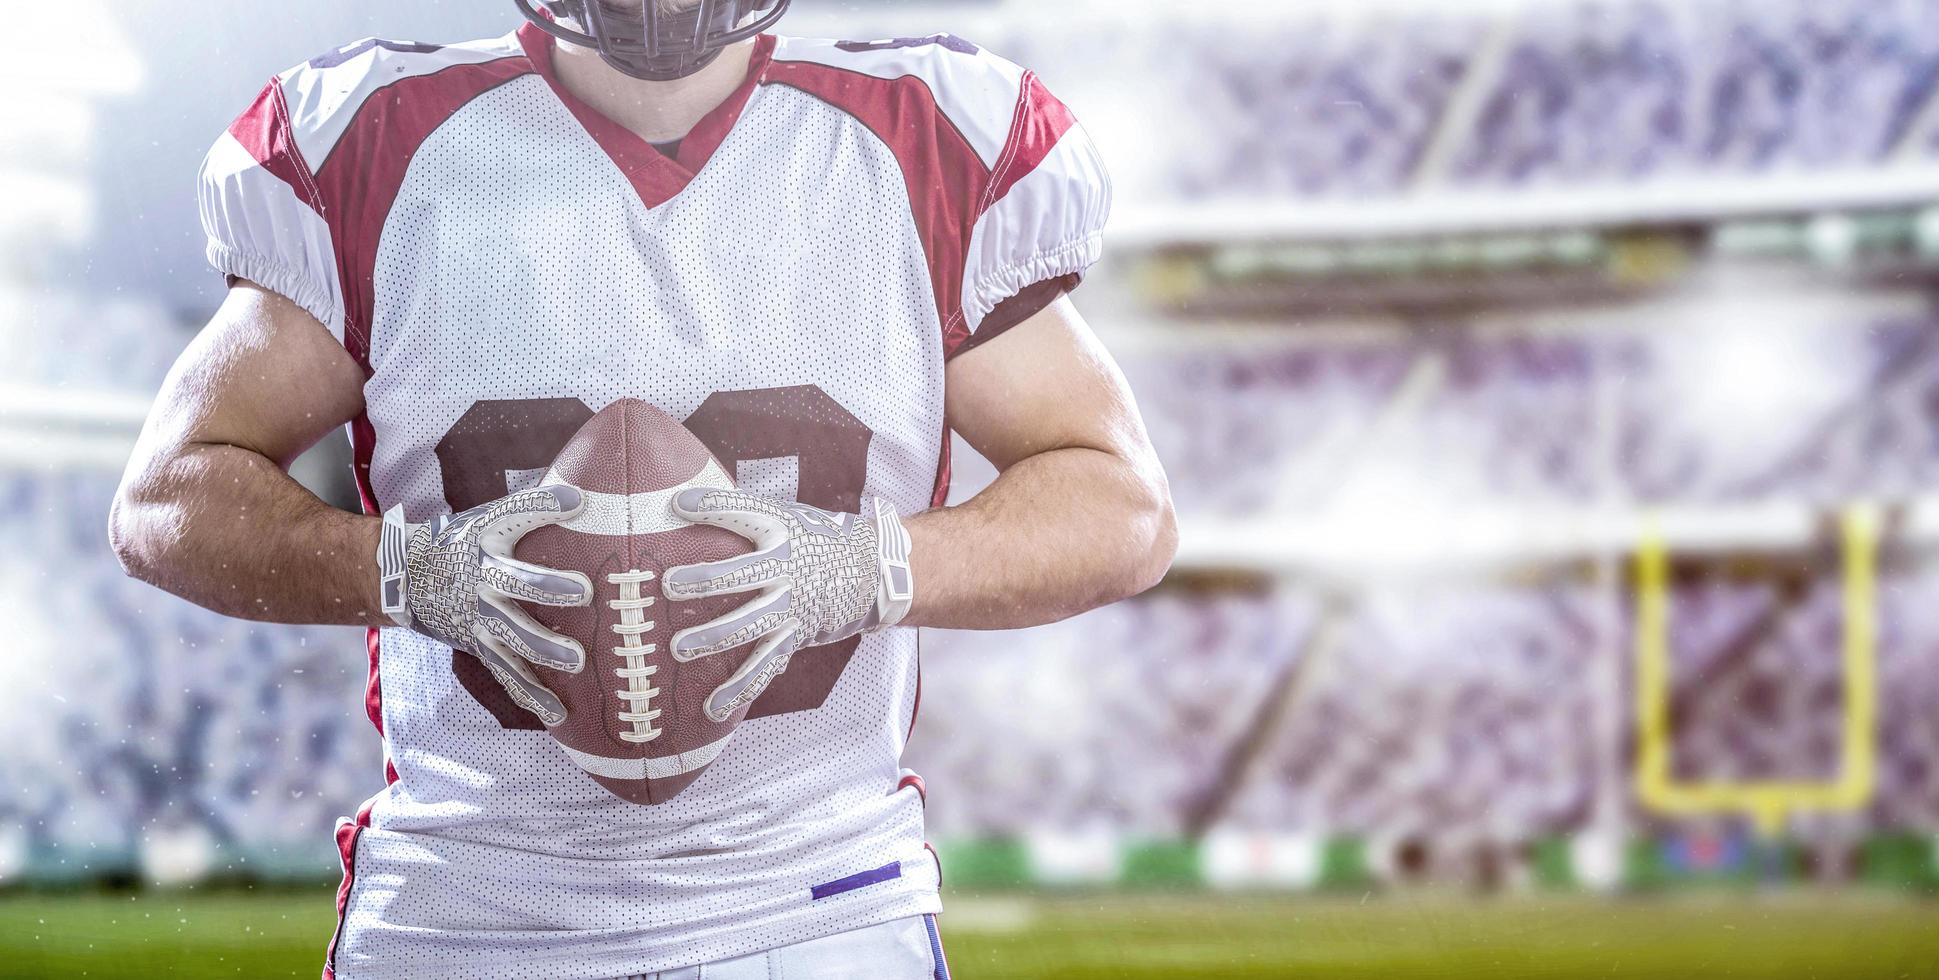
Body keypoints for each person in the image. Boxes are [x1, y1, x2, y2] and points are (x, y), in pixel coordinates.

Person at [109, 1, 1176, 977]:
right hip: (464, 909)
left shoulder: (923, 133)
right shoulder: (376, 142)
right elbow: (164, 498)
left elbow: (1121, 504)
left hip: (815, 907)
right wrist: (408, 568)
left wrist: (867, 566)